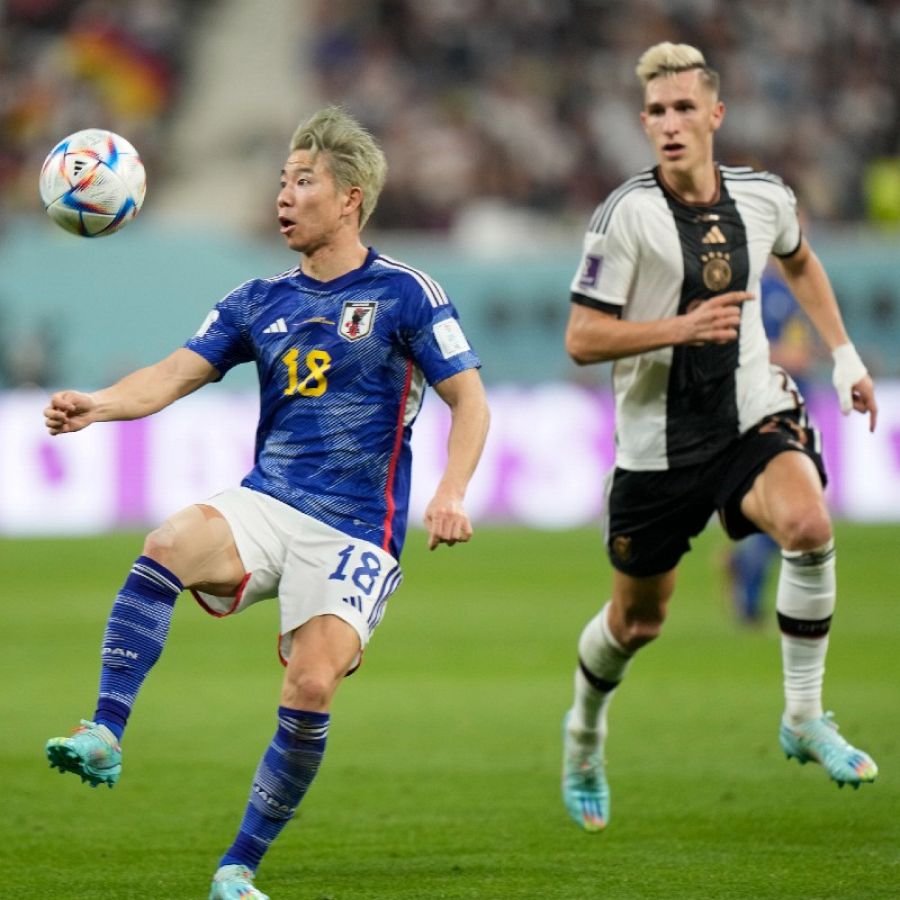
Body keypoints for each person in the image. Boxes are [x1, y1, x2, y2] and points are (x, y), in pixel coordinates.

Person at [43, 106, 490, 899]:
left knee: (310, 688)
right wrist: (99, 404)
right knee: (167, 543)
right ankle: (106, 729)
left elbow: (472, 402)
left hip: (359, 528)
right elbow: (173, 374)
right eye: (282, 180)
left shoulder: (406, 294)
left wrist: (452, 491)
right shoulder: (256, 298)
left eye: (303, 181)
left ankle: (237, 867)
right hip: (271, 500)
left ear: (350, 198)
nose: (284, 195)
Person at [561, 42, 878, 834]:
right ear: (644, 123)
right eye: (657, 113)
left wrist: (843, 356)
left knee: (807, 525)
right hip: (655, 452)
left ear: (715, 115)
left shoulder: (765, 197)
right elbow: (582, 338)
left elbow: (800, 263)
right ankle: (584, 734)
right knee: (638, 623)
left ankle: (803, 717)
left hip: (748, 417)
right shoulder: (624, 215)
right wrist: (680, 327)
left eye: (683, 109)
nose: (670, 125)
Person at [727, 265, 822, 622]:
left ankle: (742, 570)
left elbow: (797, 346)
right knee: (787, 511)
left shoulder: (793, 290)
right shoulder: (759, 290)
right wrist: (790, 356)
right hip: (769, 411)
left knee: (788, 512)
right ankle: (749, 601)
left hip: (796, 408)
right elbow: (745, 349)